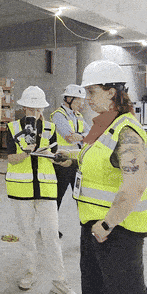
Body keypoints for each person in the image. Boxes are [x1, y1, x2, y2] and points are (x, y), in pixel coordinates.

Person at [73, 60, 147, 294]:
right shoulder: (106, 125)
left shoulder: (127, 131)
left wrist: (107, 224)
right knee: (95, 291)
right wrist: (68, 157)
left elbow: (135, 185)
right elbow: (99, 159)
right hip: (94, 225)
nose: (87, 99)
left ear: (111, 92)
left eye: (91, 92)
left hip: (118, 230)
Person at [4, 86, 80, 294]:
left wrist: (63, 159)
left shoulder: (49, 128)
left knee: (51, 236)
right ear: (24, 107)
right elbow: (11, 158)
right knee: (27, 236)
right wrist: (26, 152)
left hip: (46, 189)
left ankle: (60, 282)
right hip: (21, 190)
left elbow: (55, 156)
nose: (35, 112)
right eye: (31, 108)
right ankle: (30, 273)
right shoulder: (13, 128)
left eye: (38, 109)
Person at [50, 84, 90, 212]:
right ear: (68, 99)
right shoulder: (58, 115)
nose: (81, 104)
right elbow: (69, 137)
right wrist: (82, 136)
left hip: (77, 161)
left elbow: (92, 133)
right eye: (78, 101)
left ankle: (85, 223)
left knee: (81, 197)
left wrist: (81, 136)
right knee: (57, 196)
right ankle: (51, 223)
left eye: (81, 101)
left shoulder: (78, 116)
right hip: (62, 161)